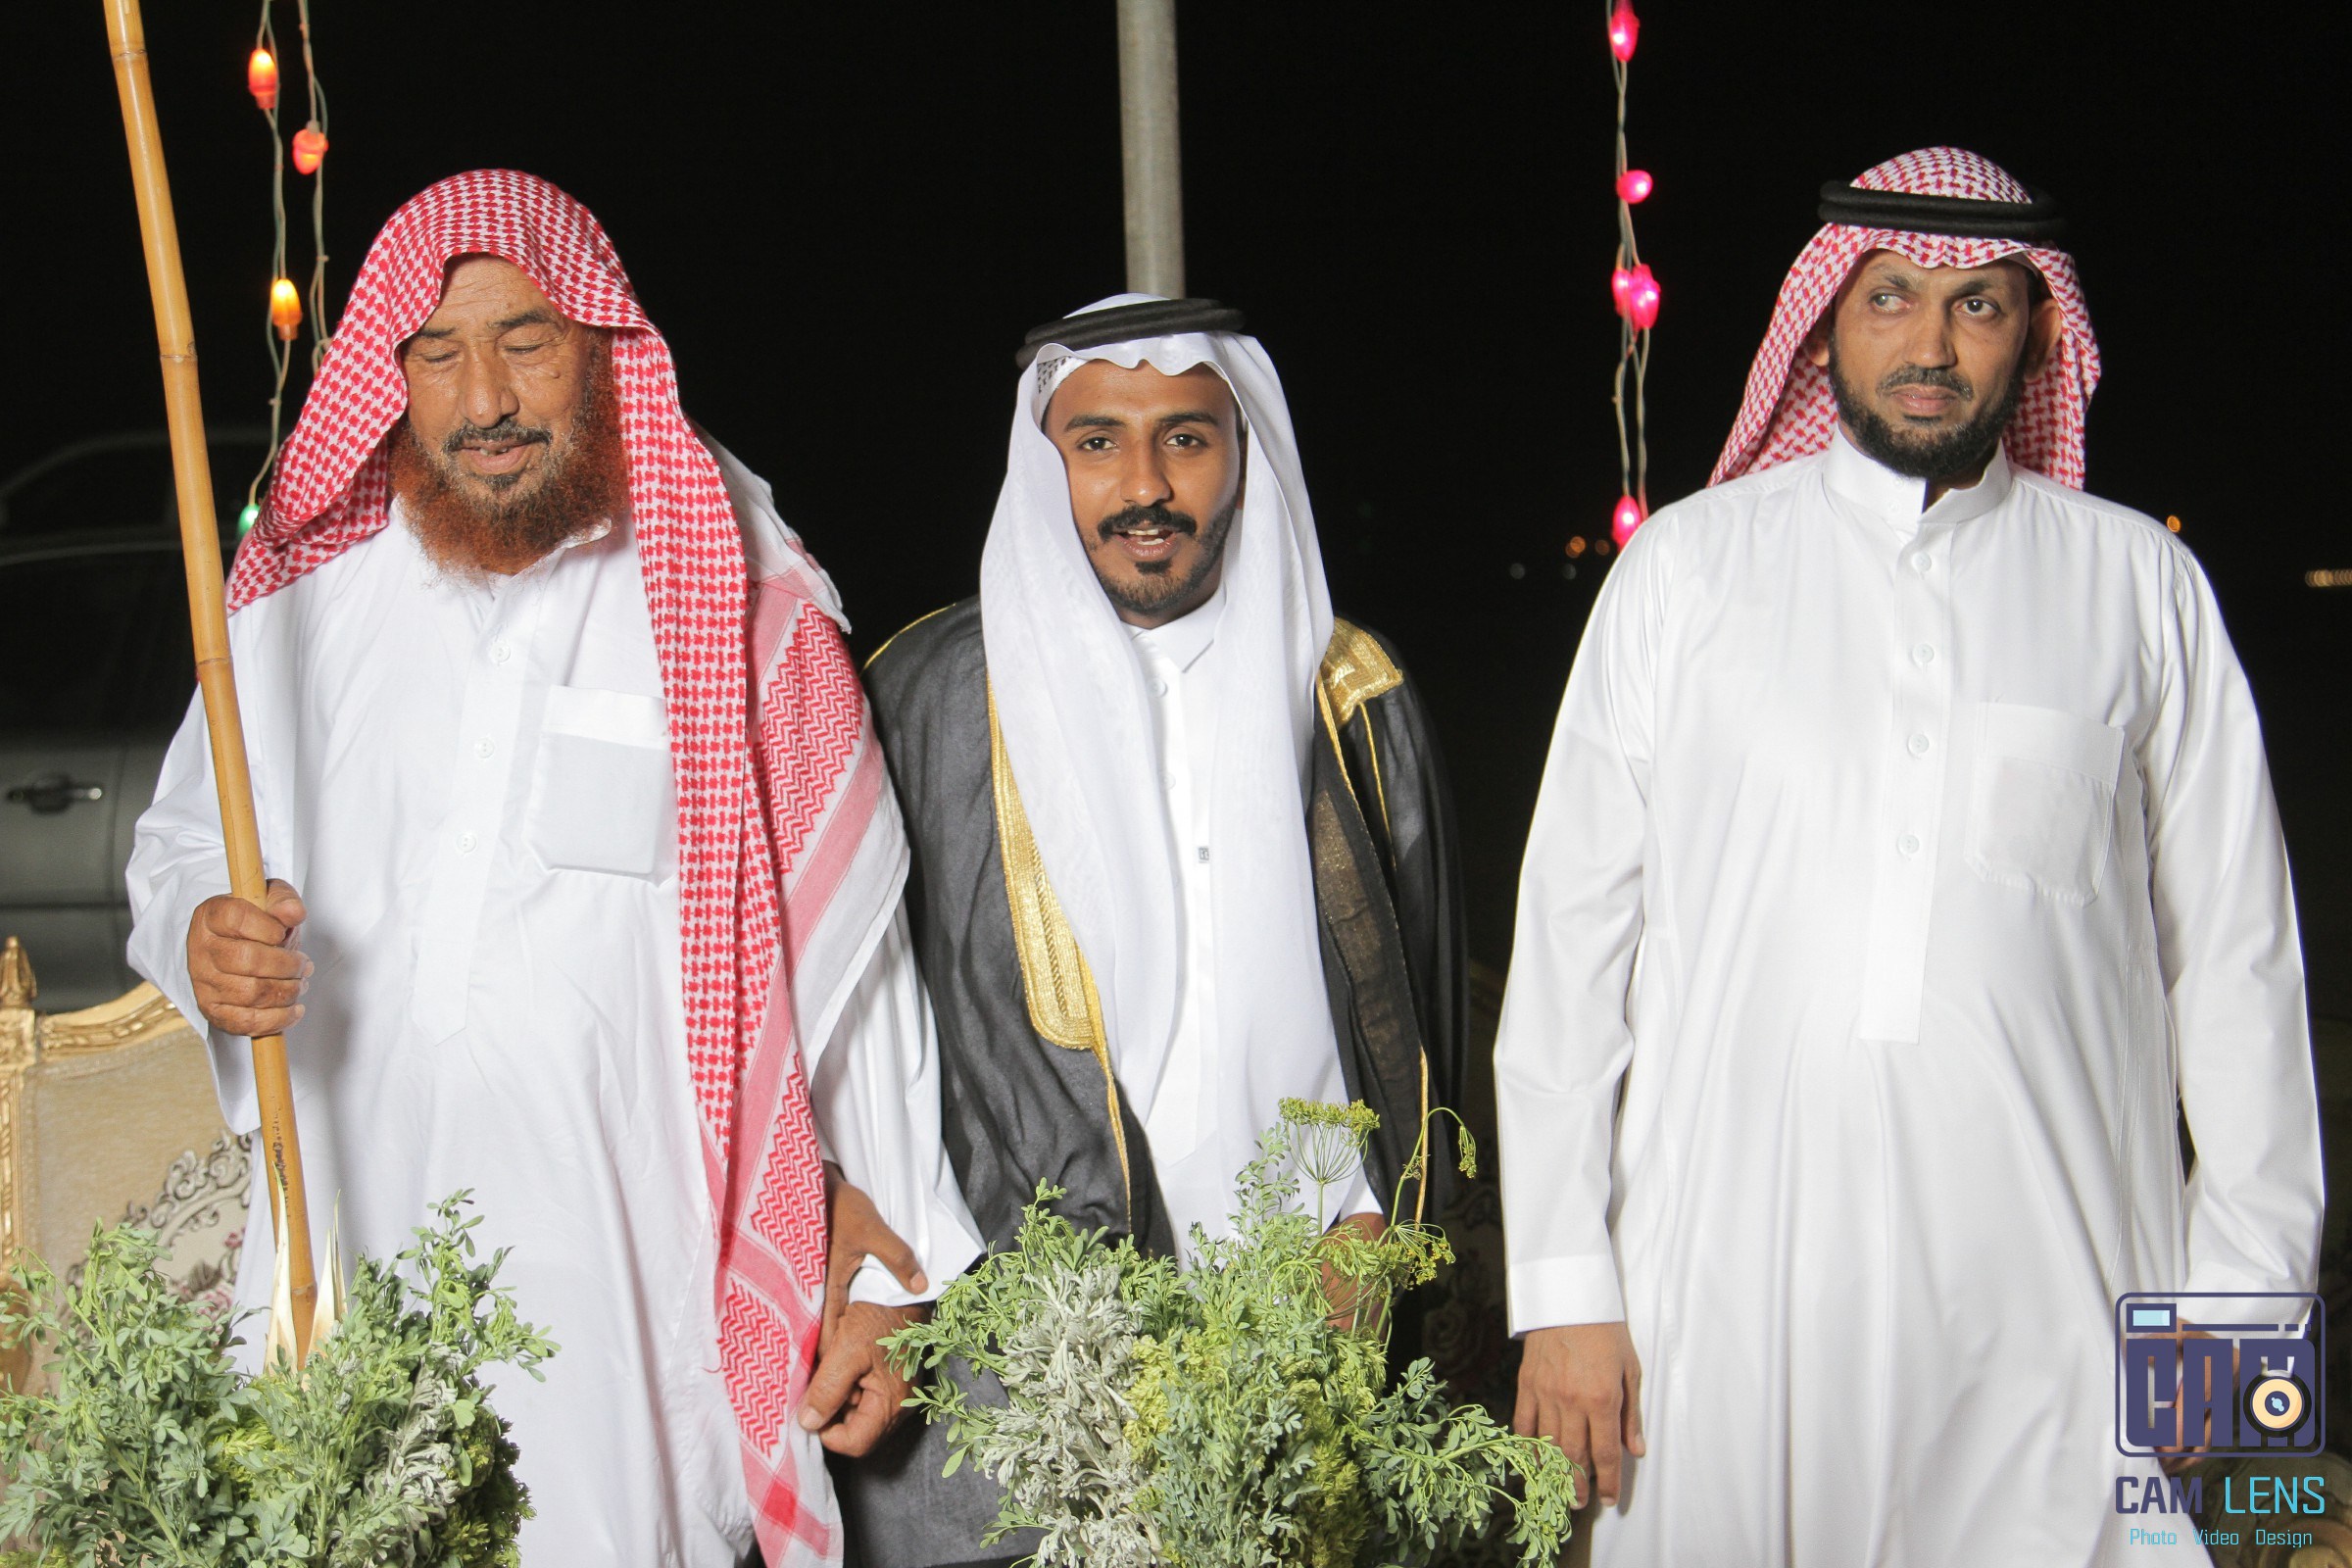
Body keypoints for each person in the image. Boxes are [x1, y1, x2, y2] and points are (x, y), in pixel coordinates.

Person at [125, 170, 981, 1568]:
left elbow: (849, 960)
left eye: (526, 342)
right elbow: (179, 845)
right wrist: (194, 933)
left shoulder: (732, 597)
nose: (485, 400)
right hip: (349, 1243)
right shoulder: (308, 596)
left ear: (600, 345)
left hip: (617, 1305)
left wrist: (896, 1254)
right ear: (390, 373)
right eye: (437, 354)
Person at [1496, 147, 2322, 1566]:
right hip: (1724, 1308)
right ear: (1825, 322)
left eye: (1978, 305)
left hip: (2061, 1308)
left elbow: (2238, 967)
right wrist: (1567, 1292)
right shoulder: (1683, 574)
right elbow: (1572, 956)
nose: (1929, 346)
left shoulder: (2140, 587)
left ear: (2039, 334)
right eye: (1889, 297)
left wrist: (2240, 1319)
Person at [839, 296, 1468, 1565]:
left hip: (1295, 1322)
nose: (1144, 486)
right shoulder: (928, 696)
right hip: (1024, 1340)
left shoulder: (1349, 692)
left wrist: (1372, 1223)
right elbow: (856, 1031)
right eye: (1097, 443)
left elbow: (1418, 1015)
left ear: (1245, 452)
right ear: (1045, 463)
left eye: (1186, 437)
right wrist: (885, 1279)